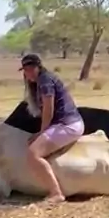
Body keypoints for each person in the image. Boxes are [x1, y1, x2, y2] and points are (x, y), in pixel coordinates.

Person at [20, 53, 85, 204]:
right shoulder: (44, 80)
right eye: (25, 70)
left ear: (38, 67)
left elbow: (48, 109)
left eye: (31, 68)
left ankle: (56, 193)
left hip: (67, 125)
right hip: (68, 123)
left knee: (33, 154)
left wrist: (41, 133)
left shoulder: (45, 81)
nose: (28, 72)